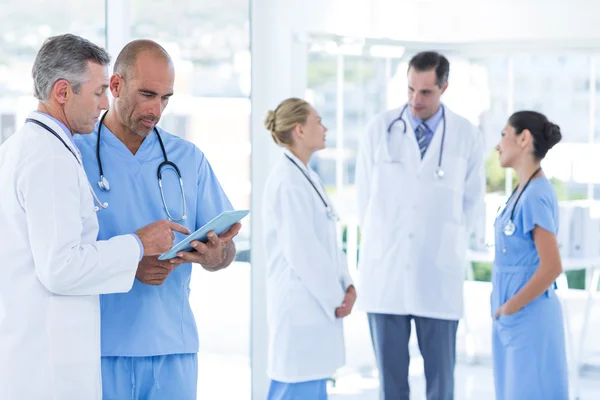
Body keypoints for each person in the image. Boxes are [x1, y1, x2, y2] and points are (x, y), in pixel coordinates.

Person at [0, 34, 185, 400]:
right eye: (98, 91)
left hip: (35, 350)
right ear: (63, 92)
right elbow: (61, 267)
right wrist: (138, 244)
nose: (105, 103)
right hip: (49, 363)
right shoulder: (49, 158)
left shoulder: (25, 146)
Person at [74, 39, 240, 400]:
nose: (156, 109)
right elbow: (61, 255)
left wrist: (217, 257)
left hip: (172, 346)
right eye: (147, 94)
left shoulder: (188, 158)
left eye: (165, 98)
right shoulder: (75, 155)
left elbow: (225, 251)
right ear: (115, 86)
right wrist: (128, 263)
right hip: (98, 348)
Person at [355, 51, 486, 400]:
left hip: (437, 275)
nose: (416, 100)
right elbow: (363, 200)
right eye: (411, 89)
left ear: (444, 87)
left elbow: (473, 202)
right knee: (391, 383)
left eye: (426, 92)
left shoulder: (466, 135)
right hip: (387, 273)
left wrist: (450, 244)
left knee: (441, 383)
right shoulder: (379, 129)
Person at [262, 98, 356, 400]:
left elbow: (328, 237)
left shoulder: (306, 176)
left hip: (317, 307)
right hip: (302, 308)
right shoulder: (288, 181)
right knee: (294, 387)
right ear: (300, 130)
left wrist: (348, 285)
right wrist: (337, 298)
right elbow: (303, 253)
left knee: (309, 386)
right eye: (319, 121)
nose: (324, 128)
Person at [492, 111, 568, 399]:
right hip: (514, 316)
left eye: (503, 134)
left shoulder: (535, 194)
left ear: (524, 139)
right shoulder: (523, 191)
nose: (498, 145)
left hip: (527, 315)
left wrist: (511, 306)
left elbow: (552, 266)